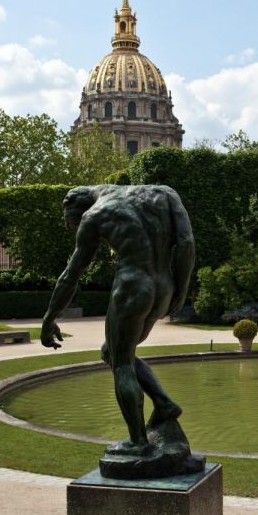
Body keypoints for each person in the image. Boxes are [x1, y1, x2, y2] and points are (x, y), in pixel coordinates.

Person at [41, 184, 195, 457]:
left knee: (121, 362)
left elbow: (71, 274)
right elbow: (185, 244)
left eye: (74, 223)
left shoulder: (95, 215)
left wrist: (49, 317)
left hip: (132, 287)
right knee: (110, 352)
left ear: (80, 208)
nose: (77, 228)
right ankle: (164, 404)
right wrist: (181, 291)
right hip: (164, 286)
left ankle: (138, 441)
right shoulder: (165, 193)